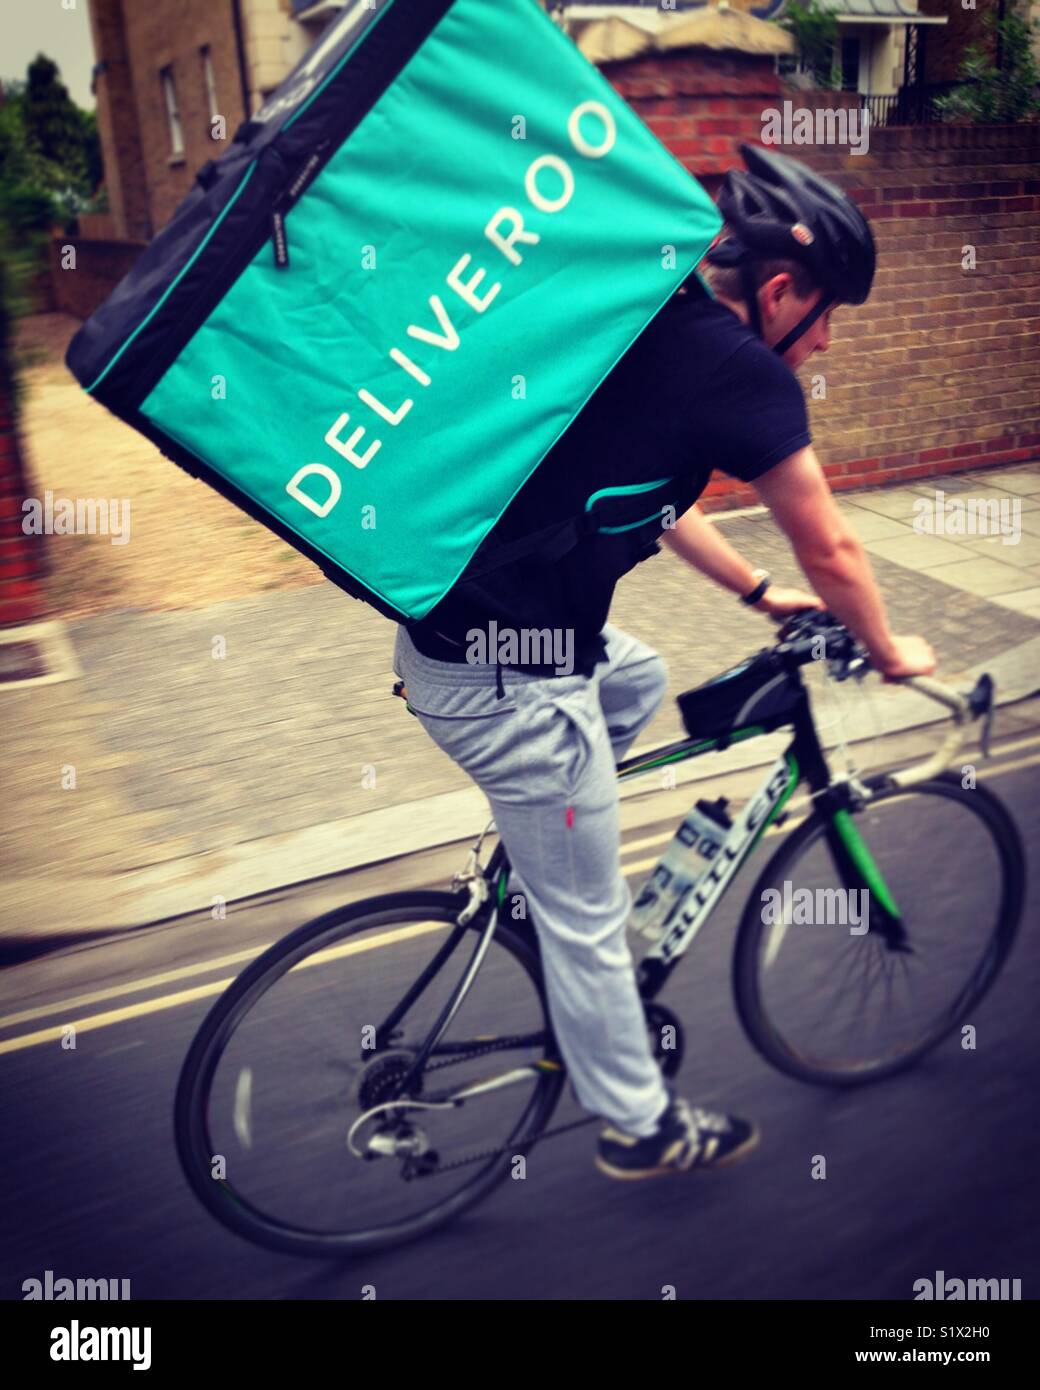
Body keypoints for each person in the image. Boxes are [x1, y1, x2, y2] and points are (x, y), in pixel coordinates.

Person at [392, 143, 936, 1180]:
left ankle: (533, 852)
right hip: (506, 681)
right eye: (825, 316)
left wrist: (754, 593)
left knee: (636, 677)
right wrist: (886, 647)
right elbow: (831, 543)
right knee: (589, 922)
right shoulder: (739, 371)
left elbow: (661, 502)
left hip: (467, 643)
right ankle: (638, 1127)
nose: (822, 342)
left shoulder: (656, 321)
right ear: (779, 291)